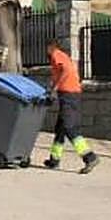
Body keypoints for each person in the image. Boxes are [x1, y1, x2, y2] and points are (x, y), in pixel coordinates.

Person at [43, 39, 100, 174]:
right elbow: (60, 74)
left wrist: (54, 89)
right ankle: (54, 159)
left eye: (47, 48)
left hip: (69, 94)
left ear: (51, 47)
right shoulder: (59, 57)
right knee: (60, 129)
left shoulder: (56, 54)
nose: (46, 51)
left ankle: (89, 157)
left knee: (69, 127)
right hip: (68, 94)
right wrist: (52, 89)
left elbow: (66, 71)